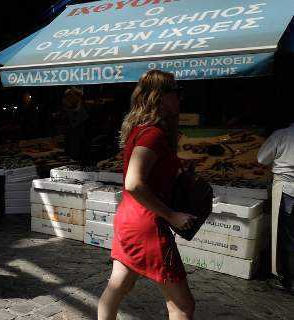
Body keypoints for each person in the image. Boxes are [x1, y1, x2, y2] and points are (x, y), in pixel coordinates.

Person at [98, 70, 197, 320]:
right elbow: (134, 182)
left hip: (129, 220)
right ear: (160, 97)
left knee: (118, 286)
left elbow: (144, 171)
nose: (180, 98)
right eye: (176, 92)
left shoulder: (141, 130)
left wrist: (175, 164)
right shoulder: (153, 134)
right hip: (148, 226)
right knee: (183, 306)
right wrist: (172, 215)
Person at [257, 122, 294, 292]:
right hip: (287, 189)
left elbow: (262, 158)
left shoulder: (281, 134)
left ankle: (287, 279)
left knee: (284, 235)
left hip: (285, 188)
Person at [61, 87, 89, 163]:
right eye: (68, 96)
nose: (69, 98)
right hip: (70, 149)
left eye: (71, 96)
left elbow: (75, 125)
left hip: (79, 151)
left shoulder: (83, 112)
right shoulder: (68, 111)